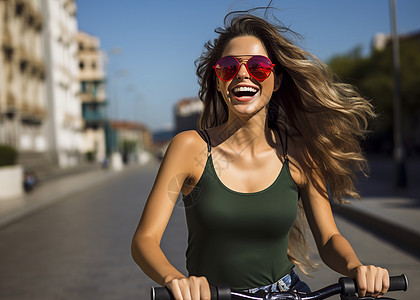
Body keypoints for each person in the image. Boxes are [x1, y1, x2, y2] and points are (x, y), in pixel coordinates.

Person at [131, 11, 390, 300]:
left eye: (258, 67)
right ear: (218, 81)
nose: (243, 74)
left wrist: (357, 267)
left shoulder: (301, 154)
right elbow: (145, 240)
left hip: (288, 294)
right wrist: (176, 280)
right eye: (229, 67)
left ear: (276, 80)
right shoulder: (189, 148)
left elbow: (329, 238)